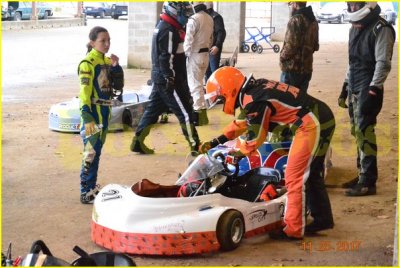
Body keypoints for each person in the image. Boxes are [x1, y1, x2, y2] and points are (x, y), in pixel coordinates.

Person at [200, 66, 335, 239]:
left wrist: (237, 153)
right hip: (320, 117)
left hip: (312, 124)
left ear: (229, 90)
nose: (219, 101)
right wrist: (216, 141)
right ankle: (323, 219)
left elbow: (255, 138)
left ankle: (293, 230)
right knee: (312, 173)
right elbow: (241, 123)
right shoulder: (253, 90)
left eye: (219, 96)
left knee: (294, 177)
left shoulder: (254, 100)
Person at [338, 2, 395, 196]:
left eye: (355, 5)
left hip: (368, 86)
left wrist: (373, 90)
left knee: (365, 131)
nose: (352, 9)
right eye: (350, 5)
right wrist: (345, 85)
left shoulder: (382, 29)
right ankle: (362, 173)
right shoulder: (354, 27)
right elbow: (352, 61)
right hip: (355, 83)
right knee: (357, 131)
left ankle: (368, 181)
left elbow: (383, 63)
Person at [130, 1, 201, 155]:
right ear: (174, 12)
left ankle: (137, 142)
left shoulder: (169, 27)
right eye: (184, 13)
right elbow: (165, 57)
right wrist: (170, 77)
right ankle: (196, 147)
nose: (187, 16)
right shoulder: (167, 30)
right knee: (185, 113)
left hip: (164, 77)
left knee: (152, 110)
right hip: (168, 79)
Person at [78, 26, 124, 204]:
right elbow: (84, 92)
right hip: (93, 115)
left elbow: (117, 88)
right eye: (102, 41)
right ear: (92, 42)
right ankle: (85, 191)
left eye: (109, 40)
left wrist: (117, 68)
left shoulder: (106, 61)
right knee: (90, 153)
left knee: (96, 152)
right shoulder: (87, 64)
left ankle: (91, 186)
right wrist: (86, 115)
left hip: (105, 113)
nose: (107, 44)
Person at [184, 2, 214, 126]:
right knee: (200, 84)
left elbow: (188, 38)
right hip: (206, 54)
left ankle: (198, 115)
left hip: (195, 55)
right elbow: (211, 38)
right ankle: (203, 115)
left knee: (194, 85)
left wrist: (185, 54)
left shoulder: (194, 19)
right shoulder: (210, 18)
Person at [280, 1, 319, 93]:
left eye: (290, 4)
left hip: (292, 69)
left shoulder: (295, 20)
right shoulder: (313, 21)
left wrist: (282, 57)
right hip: (307, 69)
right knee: (300, 101)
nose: (290, 6)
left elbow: (290, 46)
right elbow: (315, 46)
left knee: (286, 102)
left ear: (295, 4)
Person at [204, 1, 226, 82]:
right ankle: (209, 90)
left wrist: (217, 46)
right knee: (207, 73)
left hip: (213, 49)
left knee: (214, 72)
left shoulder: (216, 17)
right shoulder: (204, 17)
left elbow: (221, 33)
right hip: (205, 49)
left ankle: (216, 91)